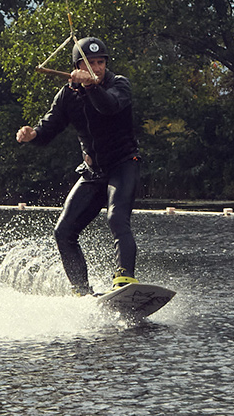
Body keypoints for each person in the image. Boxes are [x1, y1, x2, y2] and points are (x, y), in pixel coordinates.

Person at [15, 37, 142, 296]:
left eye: (100, 62)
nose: (97, 68)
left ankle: (124, 279)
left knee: (117, 218)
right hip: (93, 173)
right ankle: (81, 291)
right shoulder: (67, 95)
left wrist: (90, 86)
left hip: (123, 166)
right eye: (90, 63)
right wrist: (33, 135)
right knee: (63, 231)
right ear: (77, 66)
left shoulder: (119, 85)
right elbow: (49, 127)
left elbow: (108, 107)